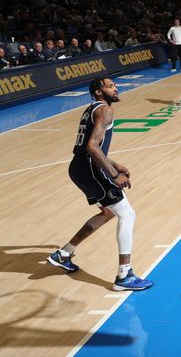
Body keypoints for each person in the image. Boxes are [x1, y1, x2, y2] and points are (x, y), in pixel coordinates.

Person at [47, 78, 153, 291]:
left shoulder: (92, 109)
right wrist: (113, 174)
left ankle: (64, 253)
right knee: (127, 214)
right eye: (110, 86)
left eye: (114, 85)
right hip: (90, 169)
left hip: (78, 168)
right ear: (98, 92)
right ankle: (124, 276)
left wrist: (114, 163)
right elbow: (93, 147)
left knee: (107, 212)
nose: (115, 88)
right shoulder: (105, 110)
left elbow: (88, 148)